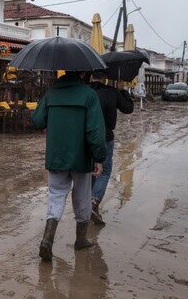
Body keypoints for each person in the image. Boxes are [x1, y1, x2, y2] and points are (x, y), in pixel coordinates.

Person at [31, 71, 107, 261]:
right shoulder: (89, 95)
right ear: (83, 73)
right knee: (82, 196)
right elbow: (95, 131)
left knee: (56, 194)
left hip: (56, 155)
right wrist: (99, 157)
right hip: (81, 158)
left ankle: (47, 239)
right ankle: (80, 240)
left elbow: (37, 120)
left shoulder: (51, 93)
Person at [88, 70, 134, 225]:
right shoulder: (112, 92)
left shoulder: (84, 91)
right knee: (104, 170)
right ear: (105, 78)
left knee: (90, 170)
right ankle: (93, 202)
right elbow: (128, 108)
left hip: (84, 137)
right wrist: (122, 90)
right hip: (105, 137)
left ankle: (88, 205)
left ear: (91, 76)